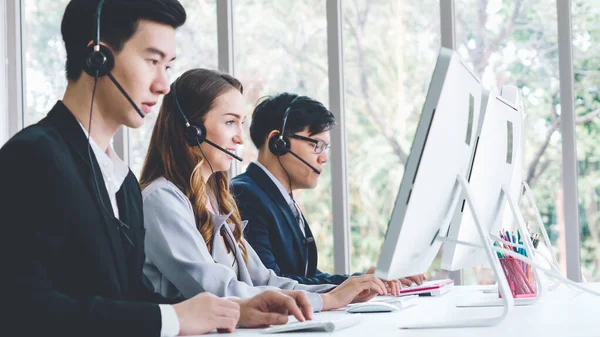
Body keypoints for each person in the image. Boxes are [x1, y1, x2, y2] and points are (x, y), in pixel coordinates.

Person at [0, 2, 310, 336]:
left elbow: (128, 299)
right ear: (98, 58)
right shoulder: (31, 158)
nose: (163, 85)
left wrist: (232, 310)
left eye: (168, 66)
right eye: (152, 61)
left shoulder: (125, 184)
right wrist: (174, 320)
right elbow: (23, 310)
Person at [139, 68, 391, 313]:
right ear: (192, 130)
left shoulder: (216, 201)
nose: (239, 138)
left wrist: (338, 293)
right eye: (230, 122)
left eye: (241, 123)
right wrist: (327, 300)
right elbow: (216, 290)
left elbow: (265, 281)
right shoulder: (161, 200)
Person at [231, 93, 426, 287]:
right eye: (316, 145)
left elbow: (305, 275)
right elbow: (271, 283)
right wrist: (352, 286)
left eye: (326, 148)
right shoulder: (245, 195)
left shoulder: (279, 197)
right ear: (277, 142)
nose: (323, 158)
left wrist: (363, 280)